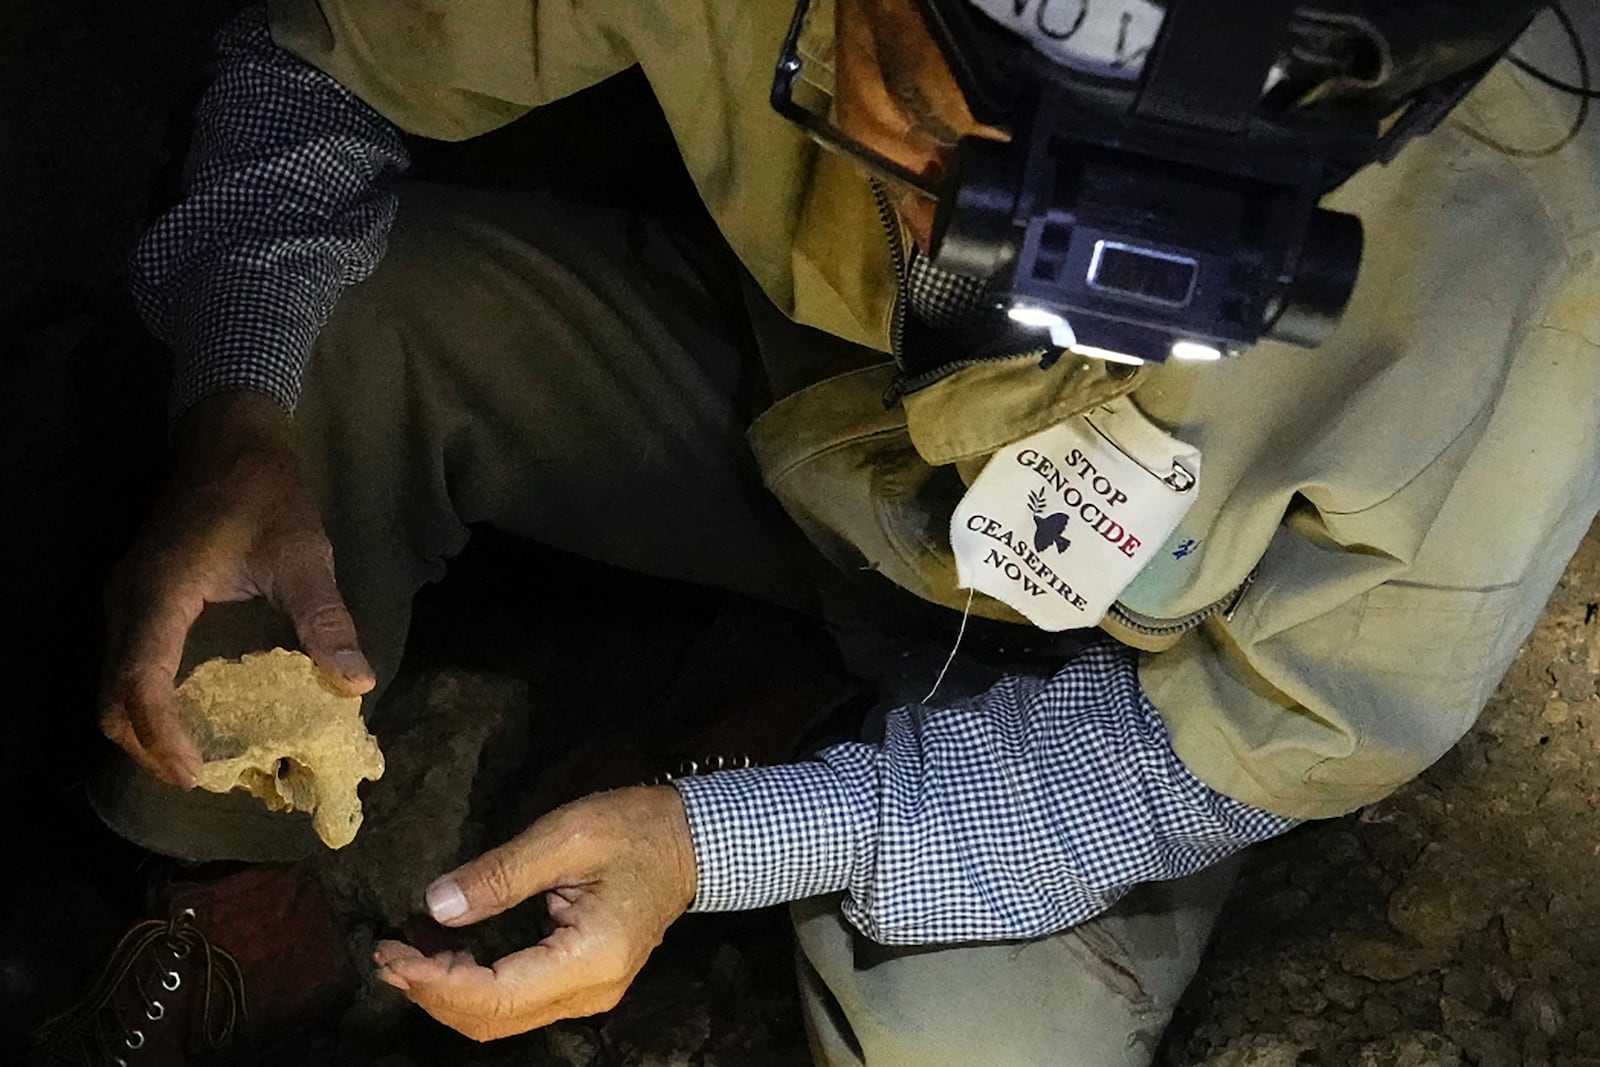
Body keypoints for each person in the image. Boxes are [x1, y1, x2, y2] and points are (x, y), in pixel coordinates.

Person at [90, 0, 1600, 1062]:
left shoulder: (1527, 240)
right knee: (316, 330)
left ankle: (771, 739)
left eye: (1147, 231)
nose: (972, 247)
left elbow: (1257, 736)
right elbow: (316, 71)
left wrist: (725, 842)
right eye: (941, 129)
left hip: (1101, 676)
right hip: (797, 418)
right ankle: (236, 889)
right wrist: (238, 413)